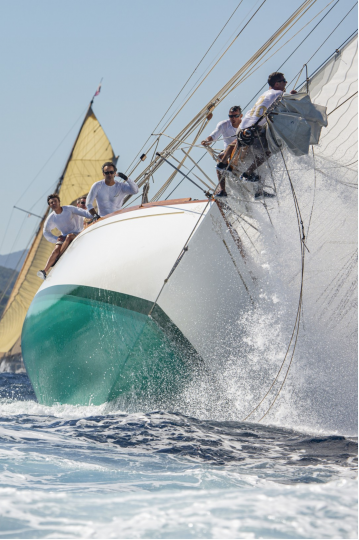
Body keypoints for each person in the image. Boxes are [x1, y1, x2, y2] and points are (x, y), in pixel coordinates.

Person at [217, 73, 297, 198]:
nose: (286, 83)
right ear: (277, 84)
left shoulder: (265, 94)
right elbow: (292, 102)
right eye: (283, 81)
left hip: (243, 127)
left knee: (238, 142)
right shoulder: (279, 94)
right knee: (269, 151)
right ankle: (248, 174)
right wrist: (293, 95)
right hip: (252, 131)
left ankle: (222, 164)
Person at [37, 193, 92, 280]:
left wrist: (94, 215)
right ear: (49, 205)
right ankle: (44, 271)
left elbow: (83, 212)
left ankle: (58, 258)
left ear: (59, 202)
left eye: (55, 201)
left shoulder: (69, 209)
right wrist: (56, 238)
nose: (53, 203)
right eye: (51, 203)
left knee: (69, 236)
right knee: (55, 250)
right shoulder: (51, 218)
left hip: (77, 233)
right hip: (64, 236)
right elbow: (46, 232)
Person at [201, 106, 243, 197]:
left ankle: (258, 189)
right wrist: (207, 141)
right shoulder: (224, 125)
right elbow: (213, 135)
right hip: (228, 153)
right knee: (220, 159)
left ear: (241, 115)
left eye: (236, 116)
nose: (233, 118)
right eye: (231, 116)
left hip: (243, 151)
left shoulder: (245, 124)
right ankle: (223, 190)